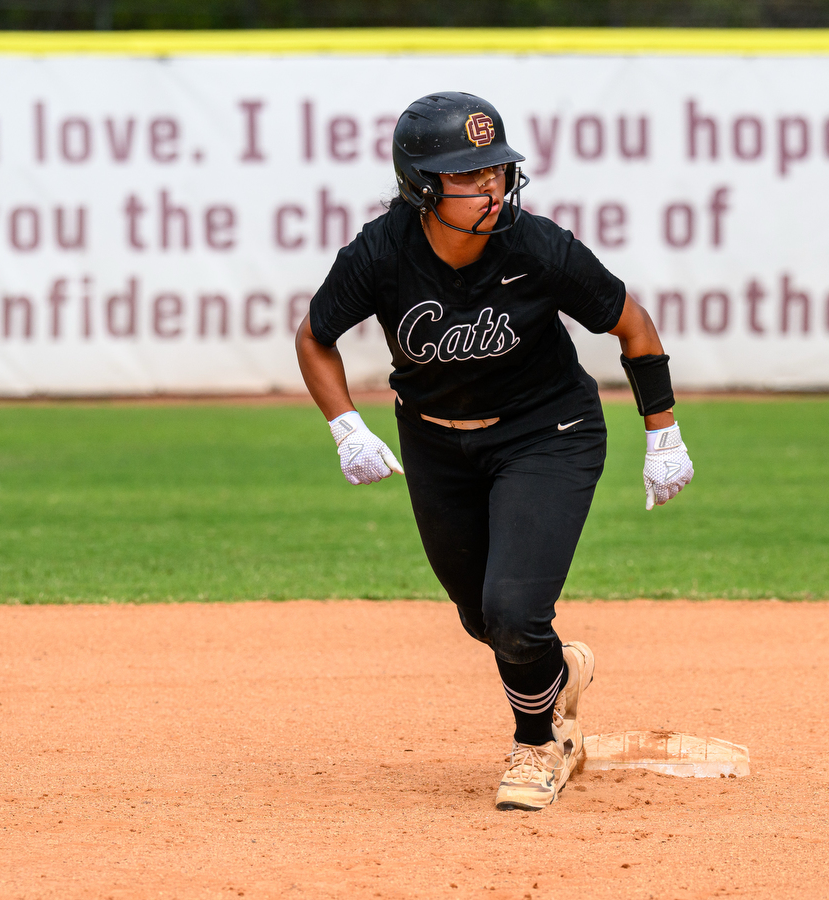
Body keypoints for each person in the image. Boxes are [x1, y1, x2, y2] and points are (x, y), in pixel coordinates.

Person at [295, 91, 693, 811]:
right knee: (484, 620)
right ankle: (559, 669)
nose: (491, 187)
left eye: (498, 171)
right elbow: (314, 337)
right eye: (468, 176)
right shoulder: (382, 253)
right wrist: (345, 426)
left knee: (512, 611)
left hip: (548, 434)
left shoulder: (535, 246)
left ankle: (539, 745)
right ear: (421, 187)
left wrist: (662, 431)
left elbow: (632, 324)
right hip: (435, 442)